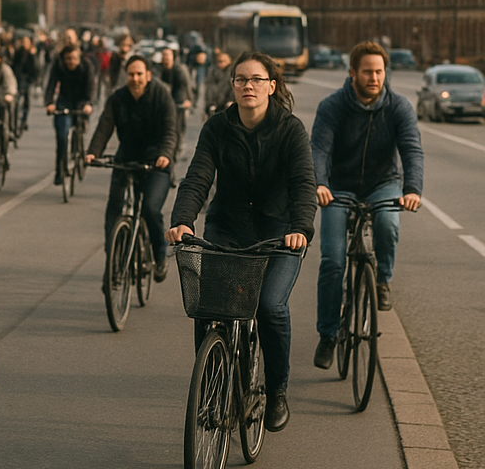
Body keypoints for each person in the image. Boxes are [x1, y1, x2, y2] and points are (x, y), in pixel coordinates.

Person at [166, 52, 316, 432]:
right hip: (228, 228)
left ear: (271, 86)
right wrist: (183, 220)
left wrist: (300, 227)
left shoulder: (290, 129)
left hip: (279, 234)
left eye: (256, 79)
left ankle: (276, 391)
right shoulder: (217, 127)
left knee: (270, 307)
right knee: (210, 307)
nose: (248, 86)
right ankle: (212, 390)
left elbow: (303, 184)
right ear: (232, 85)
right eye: (240, 79)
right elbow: (198, 177)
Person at [310, 41, 423, 368]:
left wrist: (412, 189)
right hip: (339, 186)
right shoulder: (332, 106)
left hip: (382, 183)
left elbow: (412, 150)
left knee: (388, 222)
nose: (374, 78)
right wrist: (319, 183)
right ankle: (328, 335)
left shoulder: (399, 107)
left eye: (379, 72)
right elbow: (319, 149)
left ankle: (382, 279)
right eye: (367, 72)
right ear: (352, 73)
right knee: (333, 261)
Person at [86, 55, 177, 281]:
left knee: (150, 208)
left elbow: (170, 130)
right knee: (114, 209)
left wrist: (165, 154)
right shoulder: (118, 98)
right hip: (126, 160)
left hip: (156, 162)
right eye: (130, 74)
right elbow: (105, 125)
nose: (135, 78)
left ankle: (159, 255)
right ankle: (114, 261)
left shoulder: (161, 95)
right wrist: (93, 152)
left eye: (139, 74)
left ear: (148, 75)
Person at [45, 43, 96, 184]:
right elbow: (51, 84)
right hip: (64, 101)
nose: (70, 61)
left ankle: (79, 150)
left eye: (73, 58)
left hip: (81, 102)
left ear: (79, 58)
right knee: (62, 136)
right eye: (68, 58)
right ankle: (60, 170)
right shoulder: (59, 66)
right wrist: (49, 102)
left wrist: (89, 103)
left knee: (80, 128)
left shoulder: (87, 66)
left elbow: (91, 87)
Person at [159, 47, 194, 161]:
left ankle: (175, 151)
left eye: (168, 55)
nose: (166, 58)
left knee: (177, 129)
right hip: (163, 104)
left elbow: (184, 87)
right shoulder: (159, 70)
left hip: (177, 104)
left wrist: (188, 100)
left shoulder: (179, 70)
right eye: (164, 55)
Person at [10, 35, 38, 131]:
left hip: (28, 80)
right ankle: (14, 121)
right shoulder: (18, 53)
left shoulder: (32, 54)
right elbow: (14, 65)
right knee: (16, 100)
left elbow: (35, 68)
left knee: (27, 101)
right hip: (18, 79)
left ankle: (24, 120)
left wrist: (33, 55)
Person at [203, 49, 234, 116]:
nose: (222, 63)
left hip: (228, 103)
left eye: (224, 61)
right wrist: (210, 103)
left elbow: (233, 88)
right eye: (220, 61)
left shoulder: (232, 72)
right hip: (215, 104)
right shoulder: (213, 72)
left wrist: (231, 100)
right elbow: (210, 88)